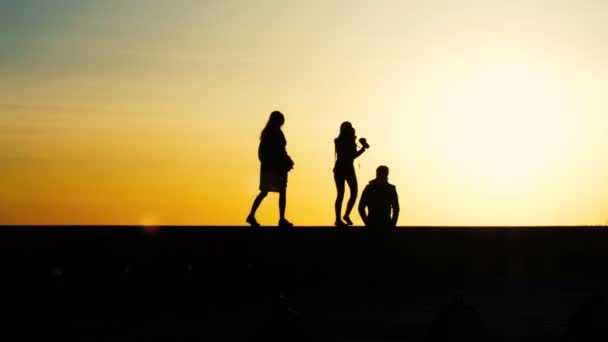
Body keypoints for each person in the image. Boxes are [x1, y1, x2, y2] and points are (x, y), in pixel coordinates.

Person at [246, 111, 294, 227]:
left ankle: (253, 215)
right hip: (274, 167)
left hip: (273, 166)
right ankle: (281, 219)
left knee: (267, 192)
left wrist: (286, 159)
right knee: (277, 191)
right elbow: (274, 151)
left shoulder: (268, 132)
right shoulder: (273, 133)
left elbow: (272, 151)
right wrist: (282, 160)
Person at [333, 121, 368, 226]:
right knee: (344, 194)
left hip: (343, 168)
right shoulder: (341, 141)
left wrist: (362, 147)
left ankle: (343, 216)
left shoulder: (340, 140)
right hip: (345, 168)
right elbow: (352, 156)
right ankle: (340, 218)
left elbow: (352, 155)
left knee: (348, 193)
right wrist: (362, 148)